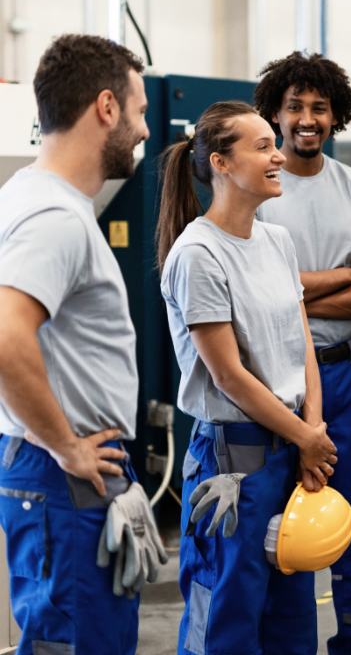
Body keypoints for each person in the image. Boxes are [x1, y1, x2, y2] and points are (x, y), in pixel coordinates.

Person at [0, 34, 167, 654]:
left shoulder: (28, 196)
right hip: (63, 475)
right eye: (140, 111)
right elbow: (6, 336)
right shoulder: (56, 218)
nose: (145, 129)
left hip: (56, 471)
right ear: (106, 107)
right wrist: (66, 446)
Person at [156, 101, 338, 655]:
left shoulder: (277, 241)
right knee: (228, 617)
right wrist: (304, 436)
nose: (278, 155)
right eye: (262, 146)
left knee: (291, 618)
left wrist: (310, 431)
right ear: (221, 163)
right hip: (234, 460)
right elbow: (229, 376)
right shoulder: (198, 254)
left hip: (291, 448)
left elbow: (302, 345)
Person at [254, 51, 351, 655]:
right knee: (274, 529)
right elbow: (252, 292)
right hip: (275, 384)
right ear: (275, 113)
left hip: (350, 377)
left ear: (336, 115)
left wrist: (291, 290)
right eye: (295, 107)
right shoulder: (256, 185)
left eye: (319, 107)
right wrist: (343, 275)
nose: (307, 119)